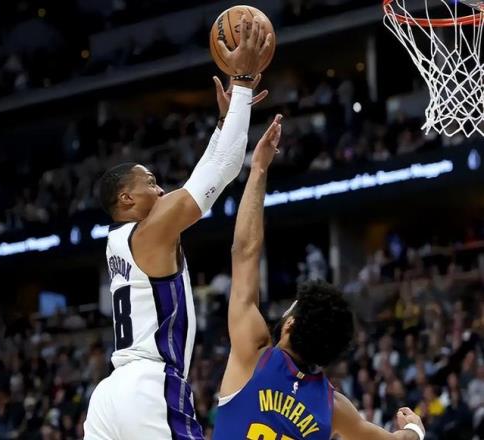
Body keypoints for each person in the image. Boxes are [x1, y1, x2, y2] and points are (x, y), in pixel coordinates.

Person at [84, 15, 273, 440]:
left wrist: (225, 123)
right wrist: (243, 83)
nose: (160, 188)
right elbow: (222, 170)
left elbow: (209, 166)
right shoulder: (148, 232)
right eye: (150, 182)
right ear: (126, 199)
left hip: (108, 398)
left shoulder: (119, 242)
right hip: (148, 387)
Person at [212, 116, 426, 440]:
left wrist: (258, 169)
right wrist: (414, 430)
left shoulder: (253, 354)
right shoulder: (333, 406)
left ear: (289, 324)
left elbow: (244, 252)